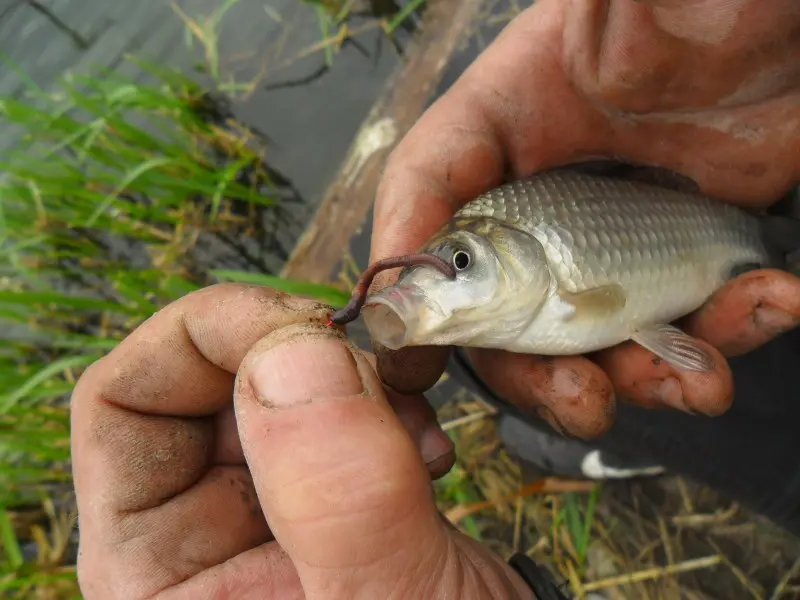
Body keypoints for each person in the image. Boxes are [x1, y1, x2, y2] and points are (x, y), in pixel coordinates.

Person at [71, 1, 800, 598]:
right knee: (537, 378)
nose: (430, 280)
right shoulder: (507, 313)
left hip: (718, 236)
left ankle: (598, 446)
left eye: (457, 260)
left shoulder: (568, 288)